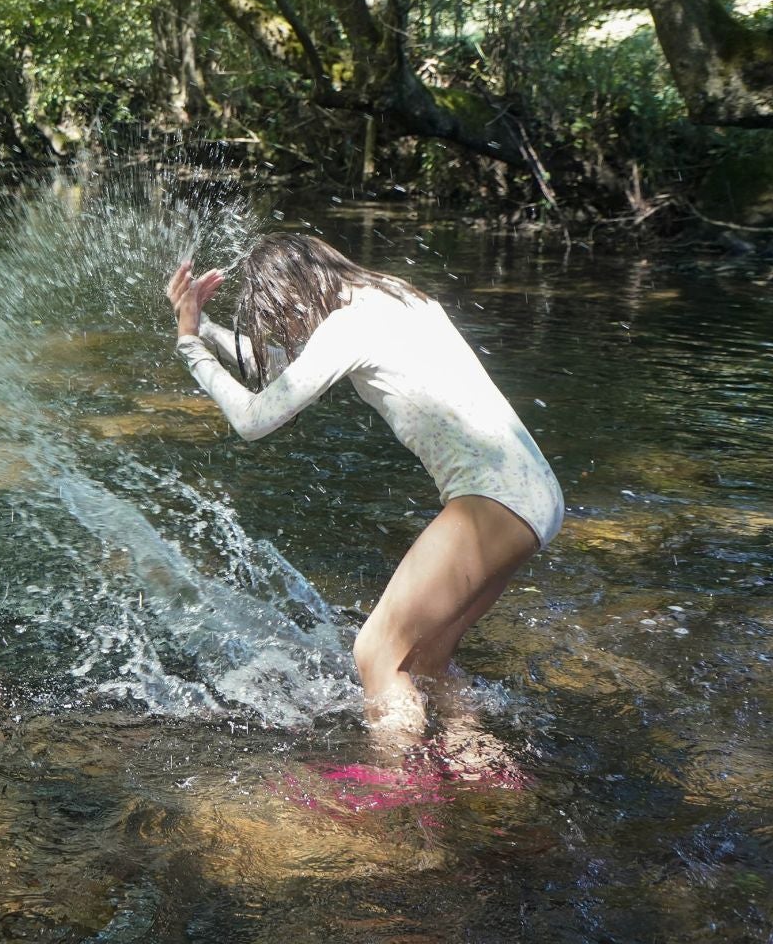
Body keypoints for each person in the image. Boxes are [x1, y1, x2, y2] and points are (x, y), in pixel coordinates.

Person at [165, 232, 561, 749]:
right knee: (426, 662)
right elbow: (284, 373)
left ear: (293, 294)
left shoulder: (348, 326)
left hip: (493, 500)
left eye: (278, 315)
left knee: (375, 652)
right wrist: (206, 327)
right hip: (535, 496)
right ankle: (482, 773)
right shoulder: (395, 298)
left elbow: (254, 418)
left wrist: (190, 345)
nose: (284, 329)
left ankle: (390, 795)